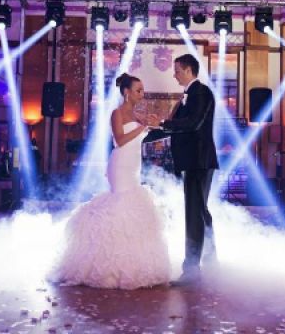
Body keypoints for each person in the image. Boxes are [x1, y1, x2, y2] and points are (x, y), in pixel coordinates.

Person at [51, 73, 170, 289]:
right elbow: (120, 140)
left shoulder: (137, 116)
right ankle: (108, 266)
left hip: (134, 166)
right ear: (127, 92)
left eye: (142, 90)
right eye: (138, 90)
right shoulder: (117, 113)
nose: (142, 94)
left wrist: (158, 126)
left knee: (133, 210)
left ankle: (130, 263)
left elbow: (144, 137)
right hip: (120, 166)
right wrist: (142, 127)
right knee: (121, 207)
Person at [147, 53, 219, 285]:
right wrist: (147, 131)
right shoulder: (188, 95)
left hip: (198, 161)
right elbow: (175, 128)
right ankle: (209, 260)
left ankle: (192, 270)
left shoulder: (201, 92)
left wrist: (162, 123)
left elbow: (193, 123)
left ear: (188, 70)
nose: (174, 75)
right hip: (193, 161)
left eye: (177, 70)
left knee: (194, 214)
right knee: (200, 212)